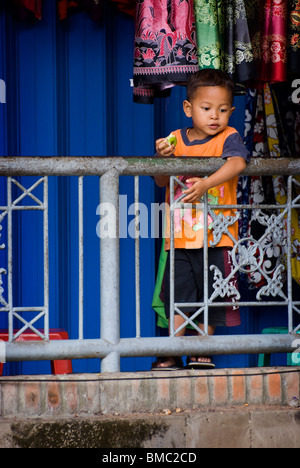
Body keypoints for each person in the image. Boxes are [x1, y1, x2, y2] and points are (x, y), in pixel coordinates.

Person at [152, 69, 250, 370]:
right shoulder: (174, 140)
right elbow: (159, 181)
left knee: (212, 293)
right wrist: (163, 159)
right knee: (179, 293)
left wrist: (207, 183)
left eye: (222, 110)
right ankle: (175, 348)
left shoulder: (229, 137)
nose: (214, 117)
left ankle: (200, 349)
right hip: (178, 236)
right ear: (188, 108)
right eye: (206, 109)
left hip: (217, 236)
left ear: (231, 112)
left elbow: (237, 162)